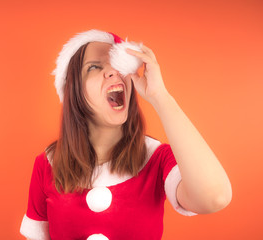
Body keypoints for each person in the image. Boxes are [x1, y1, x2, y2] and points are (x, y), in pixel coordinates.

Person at [19, 29, 232, 240]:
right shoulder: (47, 164)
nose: (113, 72)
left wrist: (160, 97)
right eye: (94, 67)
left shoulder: (157, 159)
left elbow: (214, 197)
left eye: (118, 65)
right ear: (73, 90)